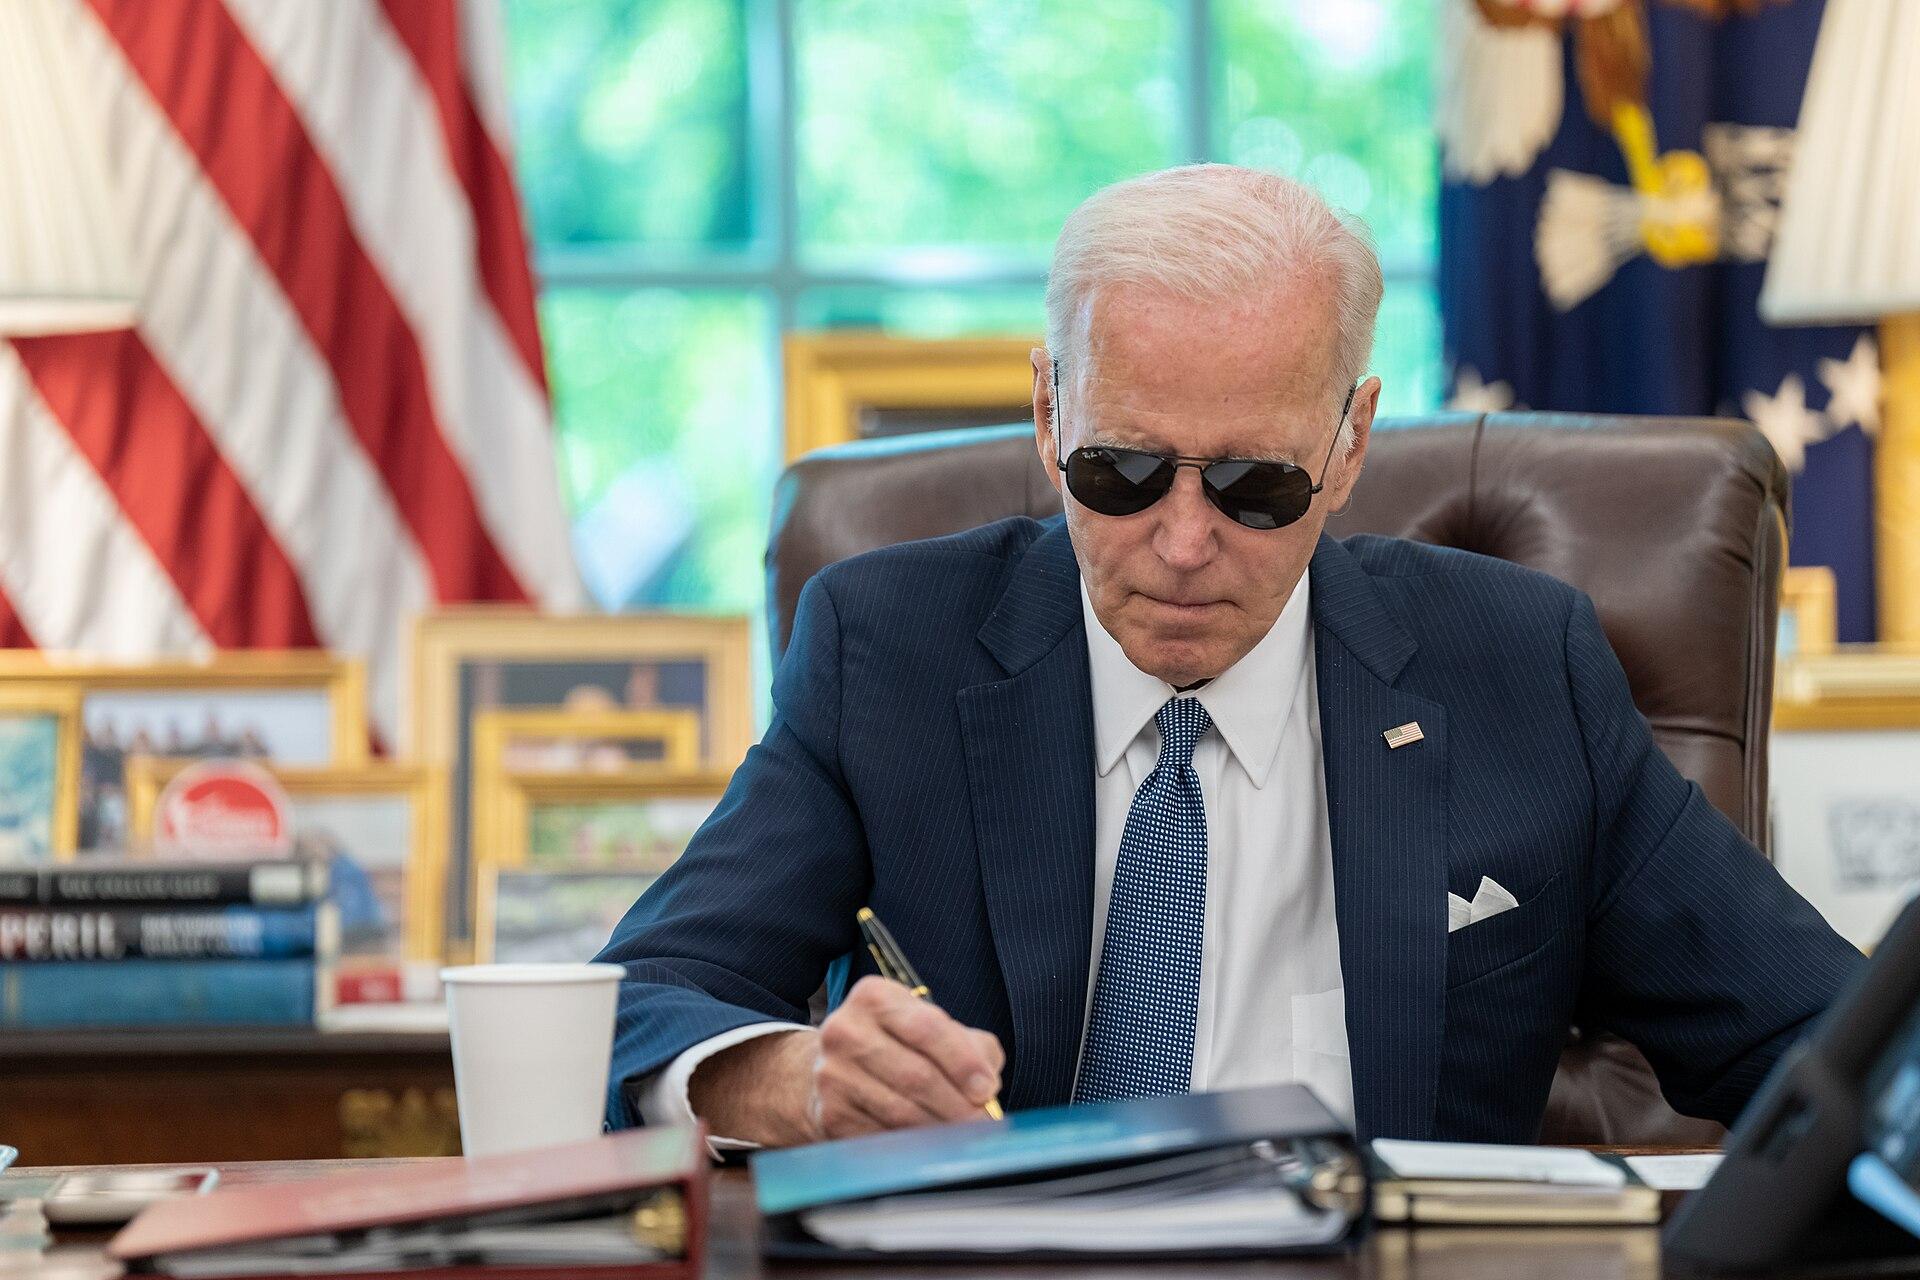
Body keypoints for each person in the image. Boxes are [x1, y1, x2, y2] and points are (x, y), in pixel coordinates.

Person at [597, 164, 1862, 1148]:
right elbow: (638, 1001)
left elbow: (1824, 1034)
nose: (1185, 541)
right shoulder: (890, 652)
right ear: (1049, 412)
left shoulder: (1522, 670)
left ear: (1351, 441)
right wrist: (785, 1075)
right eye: (1122, 471)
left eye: (1259, 484)